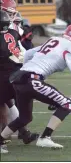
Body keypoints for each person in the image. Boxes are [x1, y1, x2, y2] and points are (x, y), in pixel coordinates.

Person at [0, 23, 71, 152]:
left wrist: (26, 70)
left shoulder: (54, 40)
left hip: (19, 78)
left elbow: (27, 55)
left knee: (25, 118)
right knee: (67, 104)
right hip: (31, 79)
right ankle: (45, 137)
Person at [0, 10, 38, 154]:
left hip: (4, 75)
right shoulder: (13, 33)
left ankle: (2, 138)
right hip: (18, 74)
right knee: (22, 110)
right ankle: (23, 132)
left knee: (1, 105)